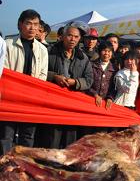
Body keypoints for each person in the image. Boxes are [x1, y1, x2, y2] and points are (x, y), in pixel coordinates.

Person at [1, 9, 48, 154]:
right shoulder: (7, 44)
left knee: (27, 136)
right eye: (28, 23)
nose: (33, 28)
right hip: (10, 98)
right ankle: (5, 168)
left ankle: (23, 168)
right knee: (6, 136)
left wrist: (33, 94)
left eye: (36, 24)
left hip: (31, 100)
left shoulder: (42, 49)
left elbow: (42, 75)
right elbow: (4, 72)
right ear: (20, 25)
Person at [43, 23, 94, 148]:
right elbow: (39, 72)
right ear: (62, 36)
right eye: (69, 35)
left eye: (76, 37)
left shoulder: (83, 58)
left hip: (73, 103)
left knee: (70, 139)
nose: (73, 39)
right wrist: (54, 76)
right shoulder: (49, 52)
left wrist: (76, 82)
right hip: (54, 102)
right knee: (52, 138)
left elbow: (89, 80)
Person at [87, 42, 117, 110]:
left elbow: (115, 87)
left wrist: (110, 98)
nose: (106, 53)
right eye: (104, 51)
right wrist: (95, 94)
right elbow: (87, 82)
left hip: (106, 105)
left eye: (109, 51)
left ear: (112, 53)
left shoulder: (115, 69)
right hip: (90, 100)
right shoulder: (91, 65)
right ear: (100, 52)